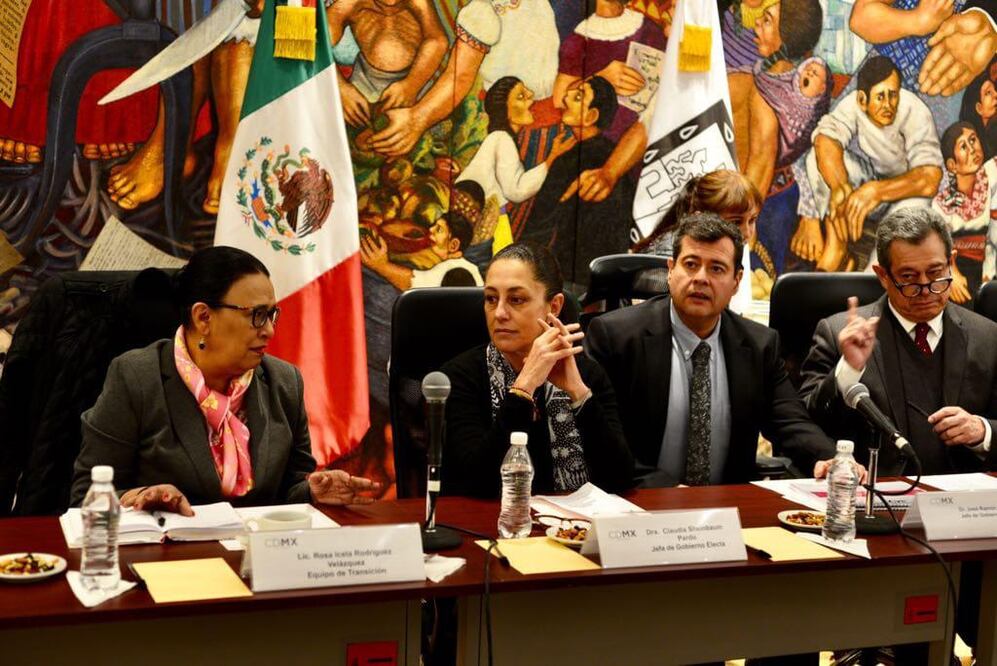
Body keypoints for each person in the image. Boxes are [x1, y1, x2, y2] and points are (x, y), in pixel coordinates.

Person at [798, 207, 996, 665]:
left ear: (951, 262)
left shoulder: (988, 338)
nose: (926, 291)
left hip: (964, 539)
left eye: (937, 274)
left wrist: (983, 430)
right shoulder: (839, 332)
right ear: (882, 275)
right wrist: (849, 368)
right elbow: (805, 420)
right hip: (871, 536)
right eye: (909, 278)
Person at [70, 247, 380, 512]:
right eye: (256, 315)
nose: (269, 331)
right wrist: (140, 497)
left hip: (258, 562)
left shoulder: (285, 382)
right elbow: (88, 497)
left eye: (272, 315)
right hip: (172, 563)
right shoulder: (136, 377)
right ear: (203, 317)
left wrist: (312, 491)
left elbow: (289, 489)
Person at [586, 212, 836, 489]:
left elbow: (790, 421)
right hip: (636, 506)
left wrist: (828, 458)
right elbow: (601, 444)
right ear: (671, 270)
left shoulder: (758, 345)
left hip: (726, 516)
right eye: (691, 265)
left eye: (716, 268)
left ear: (736, 281)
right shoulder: (615, 338)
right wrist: (675, 494)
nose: (701, 278)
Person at [441, 242, 633, 498]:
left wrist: (578, 393)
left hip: (574, 530)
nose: (499, 313)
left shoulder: (587, 374)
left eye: (516, 300)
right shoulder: (459, 377)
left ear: (553, 306)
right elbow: (475, 483)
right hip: (499, 528)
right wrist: (524, 386)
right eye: (490, 299)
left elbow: (621, 479)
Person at [802, 55, 943, 267]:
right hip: (877, 186)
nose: (888, 104)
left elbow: (930, 178)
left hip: (911, 195)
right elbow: (825, 139)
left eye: (893, 95)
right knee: (815, 160)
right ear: (862, 100)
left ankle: (871, 274)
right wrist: (840, 186)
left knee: (881, 264)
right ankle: (838, 248)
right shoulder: (854, 104)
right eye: (880, 97)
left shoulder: (915, 111)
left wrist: (876, 191)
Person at [521, 77, 634, 289]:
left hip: (571, 277)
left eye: (579, 96)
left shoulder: (574, 159)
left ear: (591, 116)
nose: (566, 97)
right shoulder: (611, 156)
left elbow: (541, 220)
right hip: (607, 276)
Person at [632, 169, 763, 313]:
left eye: (752, 220)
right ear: (700, 218)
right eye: (736, 222)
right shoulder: (662, 264)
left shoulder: (728, 249)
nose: (747, 232)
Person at [455, 77, 576, 209]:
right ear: (505, 112)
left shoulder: (500, 138)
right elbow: (516, 192)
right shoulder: (502, 139)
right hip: (484, 222)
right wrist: (552, 158)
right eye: (521, 96)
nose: (531, 95)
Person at [325, 0, 448, 127]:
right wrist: (341, 88)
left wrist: (411, 85)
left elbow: (437, 40)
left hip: (417, 80)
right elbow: (316, 43)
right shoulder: (349, 4)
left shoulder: (419, 3)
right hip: (364, 84)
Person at [932, 121, 997, 301]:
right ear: (952, 165)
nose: (972, 149)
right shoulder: (942, 204)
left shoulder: (994, 173)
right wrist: (950, 272)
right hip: (962, 272)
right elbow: (938, 248)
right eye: (963, 146)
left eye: (973, 140)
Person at [361, 213, 483, 291]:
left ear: (453, 245)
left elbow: (411, 282)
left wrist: (381, 265)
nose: (430, 230)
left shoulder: (455, 269)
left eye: (439, 229)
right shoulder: (467, 267)